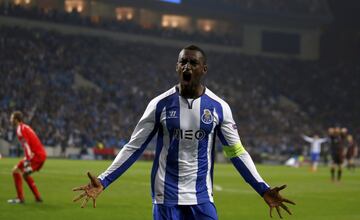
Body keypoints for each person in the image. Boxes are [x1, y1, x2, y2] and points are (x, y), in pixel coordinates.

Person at [73, 45, 295, 219]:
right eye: (183, 62)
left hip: (201, 197)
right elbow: (134, 147)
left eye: (193, 63)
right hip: (165, 197)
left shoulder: (219, 107)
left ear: (204, 69)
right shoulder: (159, 104)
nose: (187, 67)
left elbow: (236, 152)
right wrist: (104, 180)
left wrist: (262, 188)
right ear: (177, 67)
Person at [7, 111, 47, 204]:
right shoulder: (26, 127)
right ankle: (37, 197)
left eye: (11, 118)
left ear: (16, 120)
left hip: (35, 155)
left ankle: (20, 198)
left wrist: (27, 161)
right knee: (25, 175)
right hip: (40, 154)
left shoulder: (20, 129)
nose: (10, 120)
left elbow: (26, 146)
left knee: (15, 171)